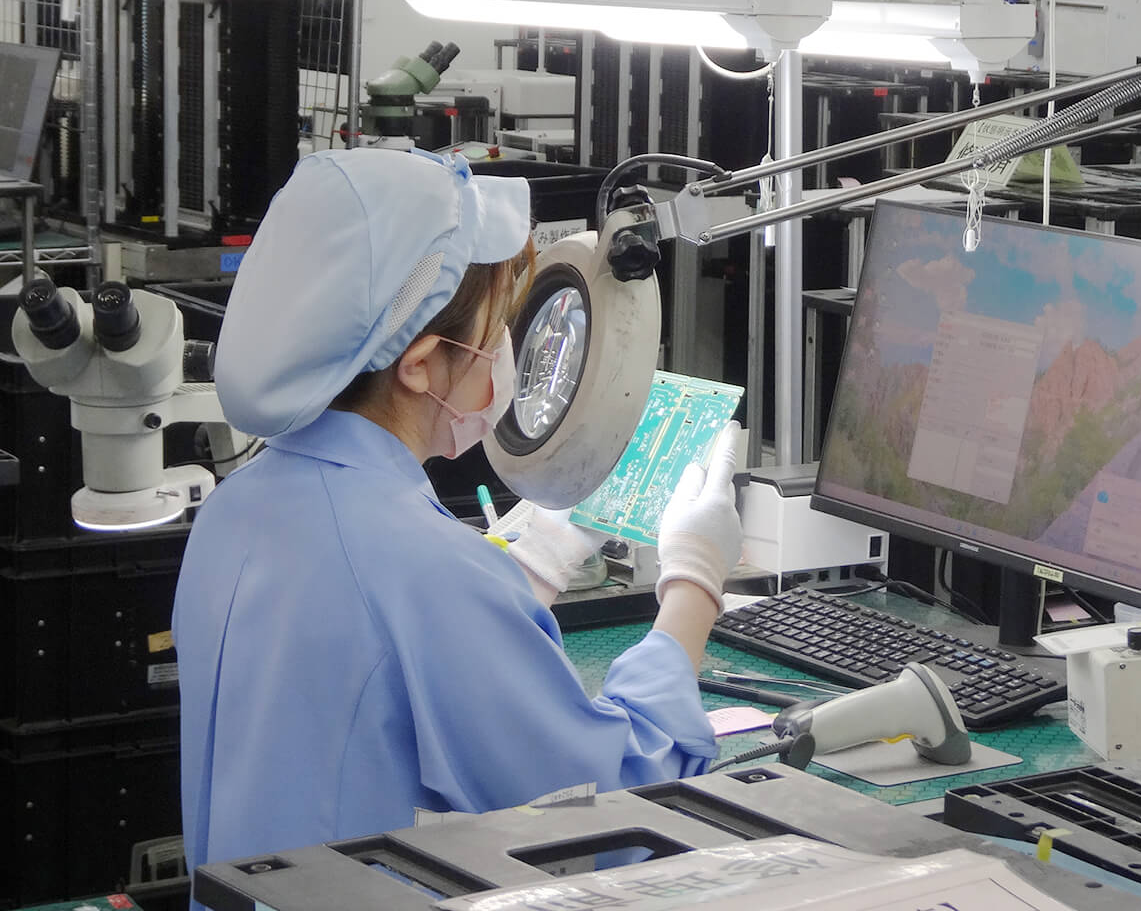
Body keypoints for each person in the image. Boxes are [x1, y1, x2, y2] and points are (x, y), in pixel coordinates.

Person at [173, 149, 743, 893]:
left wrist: (533, 558)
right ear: (417, 363)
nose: (504, 348)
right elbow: (617, 808)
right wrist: (693, 584)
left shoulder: (235, 510)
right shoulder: (427, 569)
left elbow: (370, 664)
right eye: (496, 325)